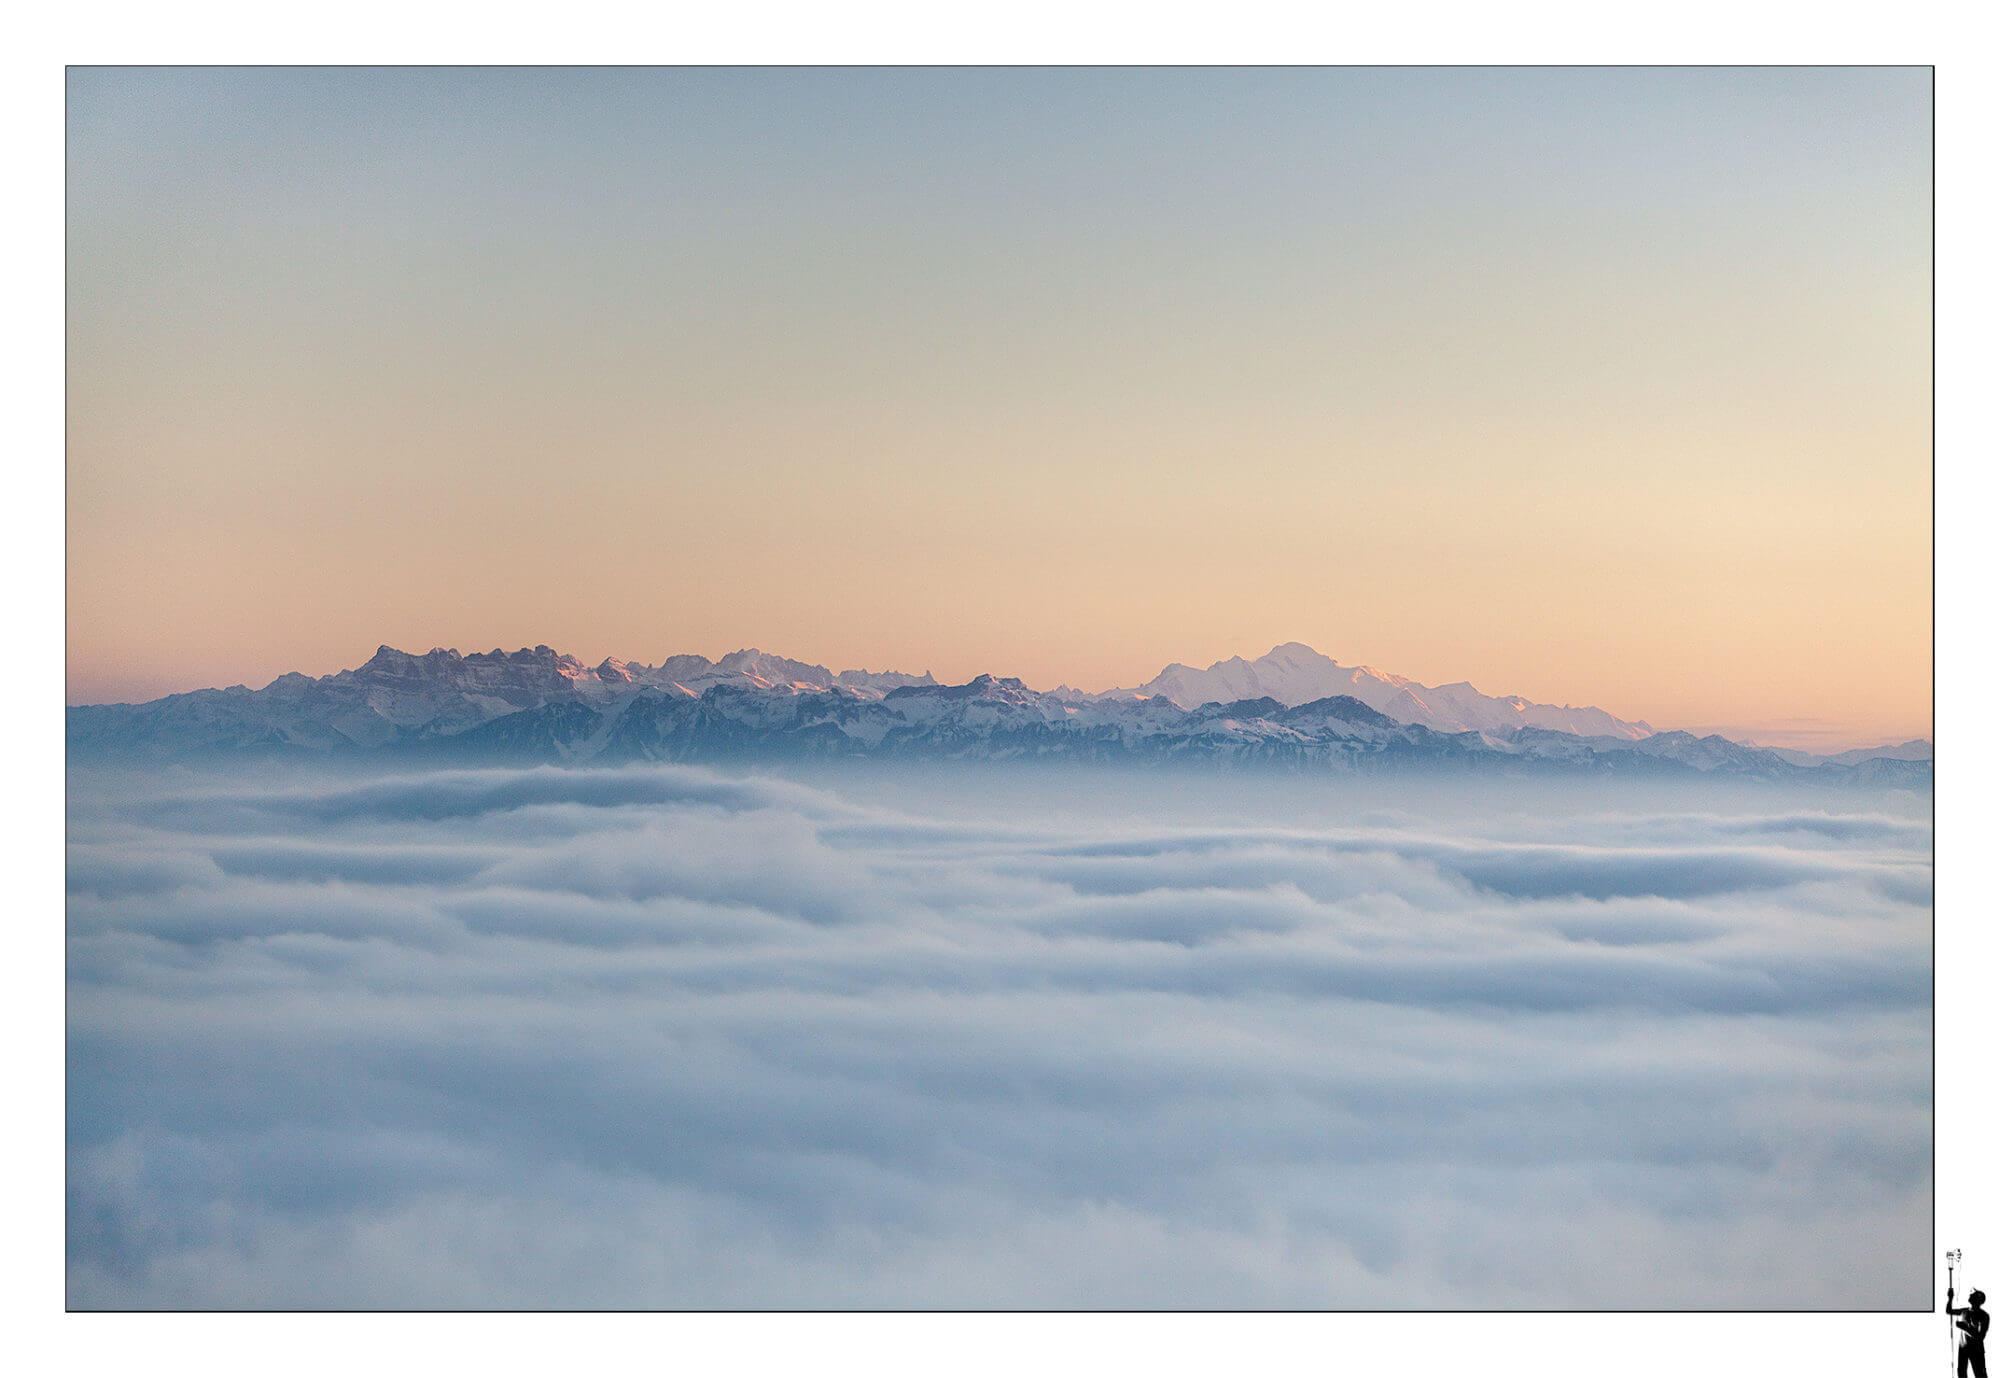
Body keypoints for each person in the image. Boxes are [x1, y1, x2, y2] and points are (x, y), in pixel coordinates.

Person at [1949, 1286, 1991, 1378]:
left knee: (1980, 1375)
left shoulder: (1984, 1316)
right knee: (1962, 1373)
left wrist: (1965, 1328)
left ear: (1978, 1300)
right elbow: (1949, 1311)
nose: (1970, 1294)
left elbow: (1980, 1337)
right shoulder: (1965, 1311)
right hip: (1963, 1348)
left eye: (1973, 1295)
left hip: (1976, 1350)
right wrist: (1950, 1298)